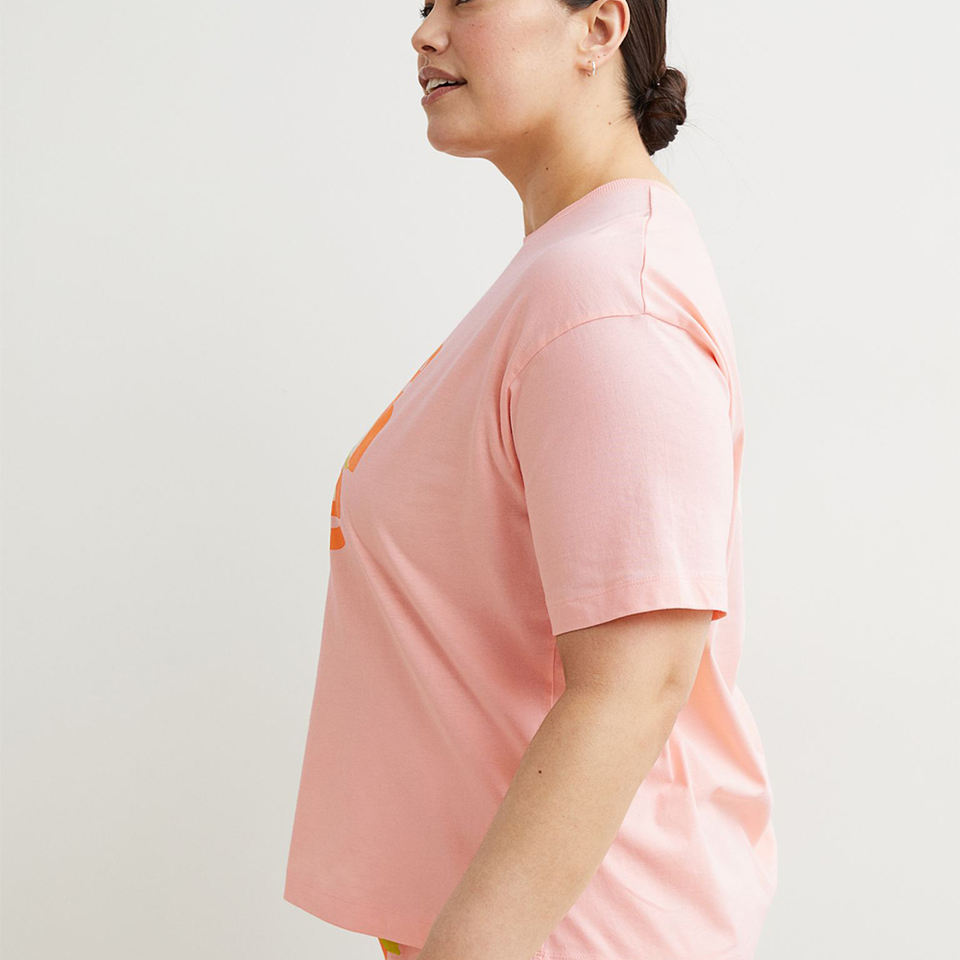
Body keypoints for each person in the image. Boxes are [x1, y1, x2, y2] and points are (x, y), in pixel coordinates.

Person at [283, 1, 778, 959]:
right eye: (424, 5)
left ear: (599, 28)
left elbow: (638, 684)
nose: (425, 32)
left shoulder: (609, 300)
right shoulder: (568, 272)